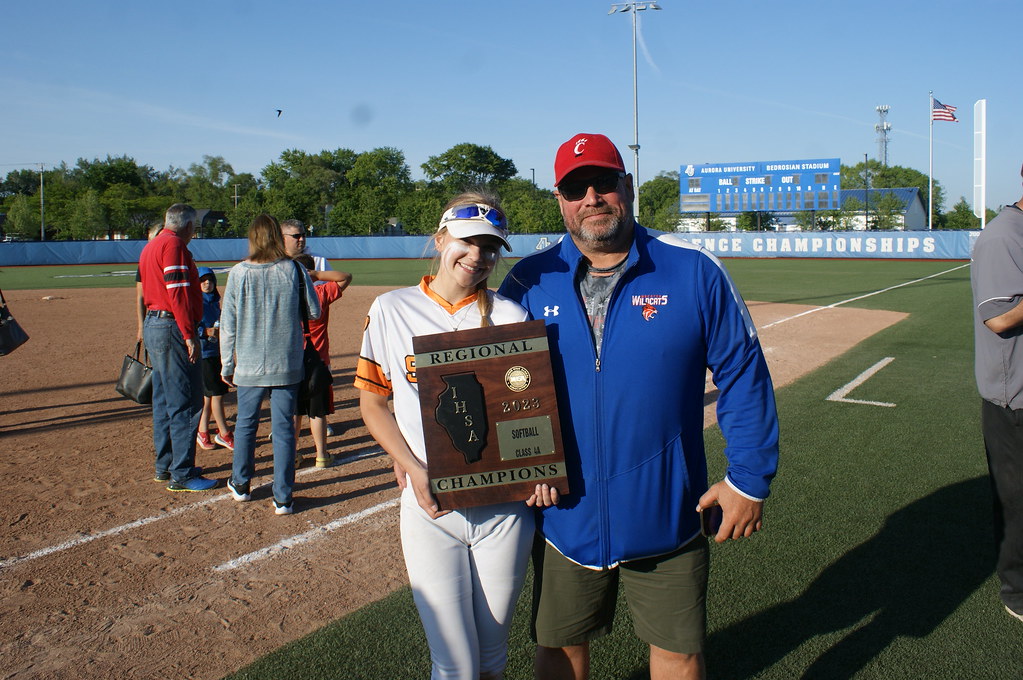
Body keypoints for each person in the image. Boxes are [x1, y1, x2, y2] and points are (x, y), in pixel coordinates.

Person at [498, 133, 780, 680]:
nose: (592, 198)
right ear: (560, 199)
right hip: (563, 513)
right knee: (559, 648)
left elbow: (744, 374)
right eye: (576, 188)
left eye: (604, 182)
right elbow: (498, 389)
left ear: (626, 187)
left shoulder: (694, 272)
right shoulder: (527, 282)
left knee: (678, 653)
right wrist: (517, 470)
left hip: (668, 511)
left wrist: (749, 479)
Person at [355, 191, 559, 680]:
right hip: (431, 507)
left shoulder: (512, 316)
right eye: (467, 242)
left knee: (491, 658)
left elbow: (527, 412)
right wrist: (411, 465)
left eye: (490, 247)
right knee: (455, 664)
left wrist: (541, 466)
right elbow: (372, 404)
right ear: (441, 238)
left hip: (504, 512)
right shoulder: (391, 309)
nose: (478, 256)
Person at [220, 214, 321, 515]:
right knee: (283, 430)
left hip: (249, 364)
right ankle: (283, 497)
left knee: (246, 426)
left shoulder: (238, 273)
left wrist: (227, 364)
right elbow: (313, 311)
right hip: (286, 362)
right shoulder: (293, 269)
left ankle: (240, 483)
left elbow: (228, 323)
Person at [969, 165, 1023, 624]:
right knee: (1017, 499)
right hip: (1015, 398)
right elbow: (1001, 318)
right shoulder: (1004, 237)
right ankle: (1018, 592)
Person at [138, 204, 218, 492]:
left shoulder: (153, 245)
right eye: (194, 225)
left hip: (155, 324)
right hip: (171, 326)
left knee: (164, 400)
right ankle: (181, 473)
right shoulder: (173, 246)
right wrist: (189, 335)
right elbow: (178, 293)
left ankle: (166, 465)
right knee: (186, 402)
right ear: (187, 226)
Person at [293, 253, 352, 468]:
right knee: (317, 411)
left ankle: (293, 455)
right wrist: (317, 275)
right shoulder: (321, 292)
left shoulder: (287, 294)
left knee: (294, 412)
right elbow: (346, 276)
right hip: (318, 358)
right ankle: (321, 455)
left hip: (292, 359)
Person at [195, 267, 234, 452]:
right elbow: (189, 325)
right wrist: (205, 331)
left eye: (210, 280)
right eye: (203, 280)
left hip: (216, 351)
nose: (207, 283)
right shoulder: (196, 302)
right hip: (204, 354)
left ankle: (202, 431)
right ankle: (224, 433)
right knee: (217, 394)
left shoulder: (215, 301)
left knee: (209, 396)